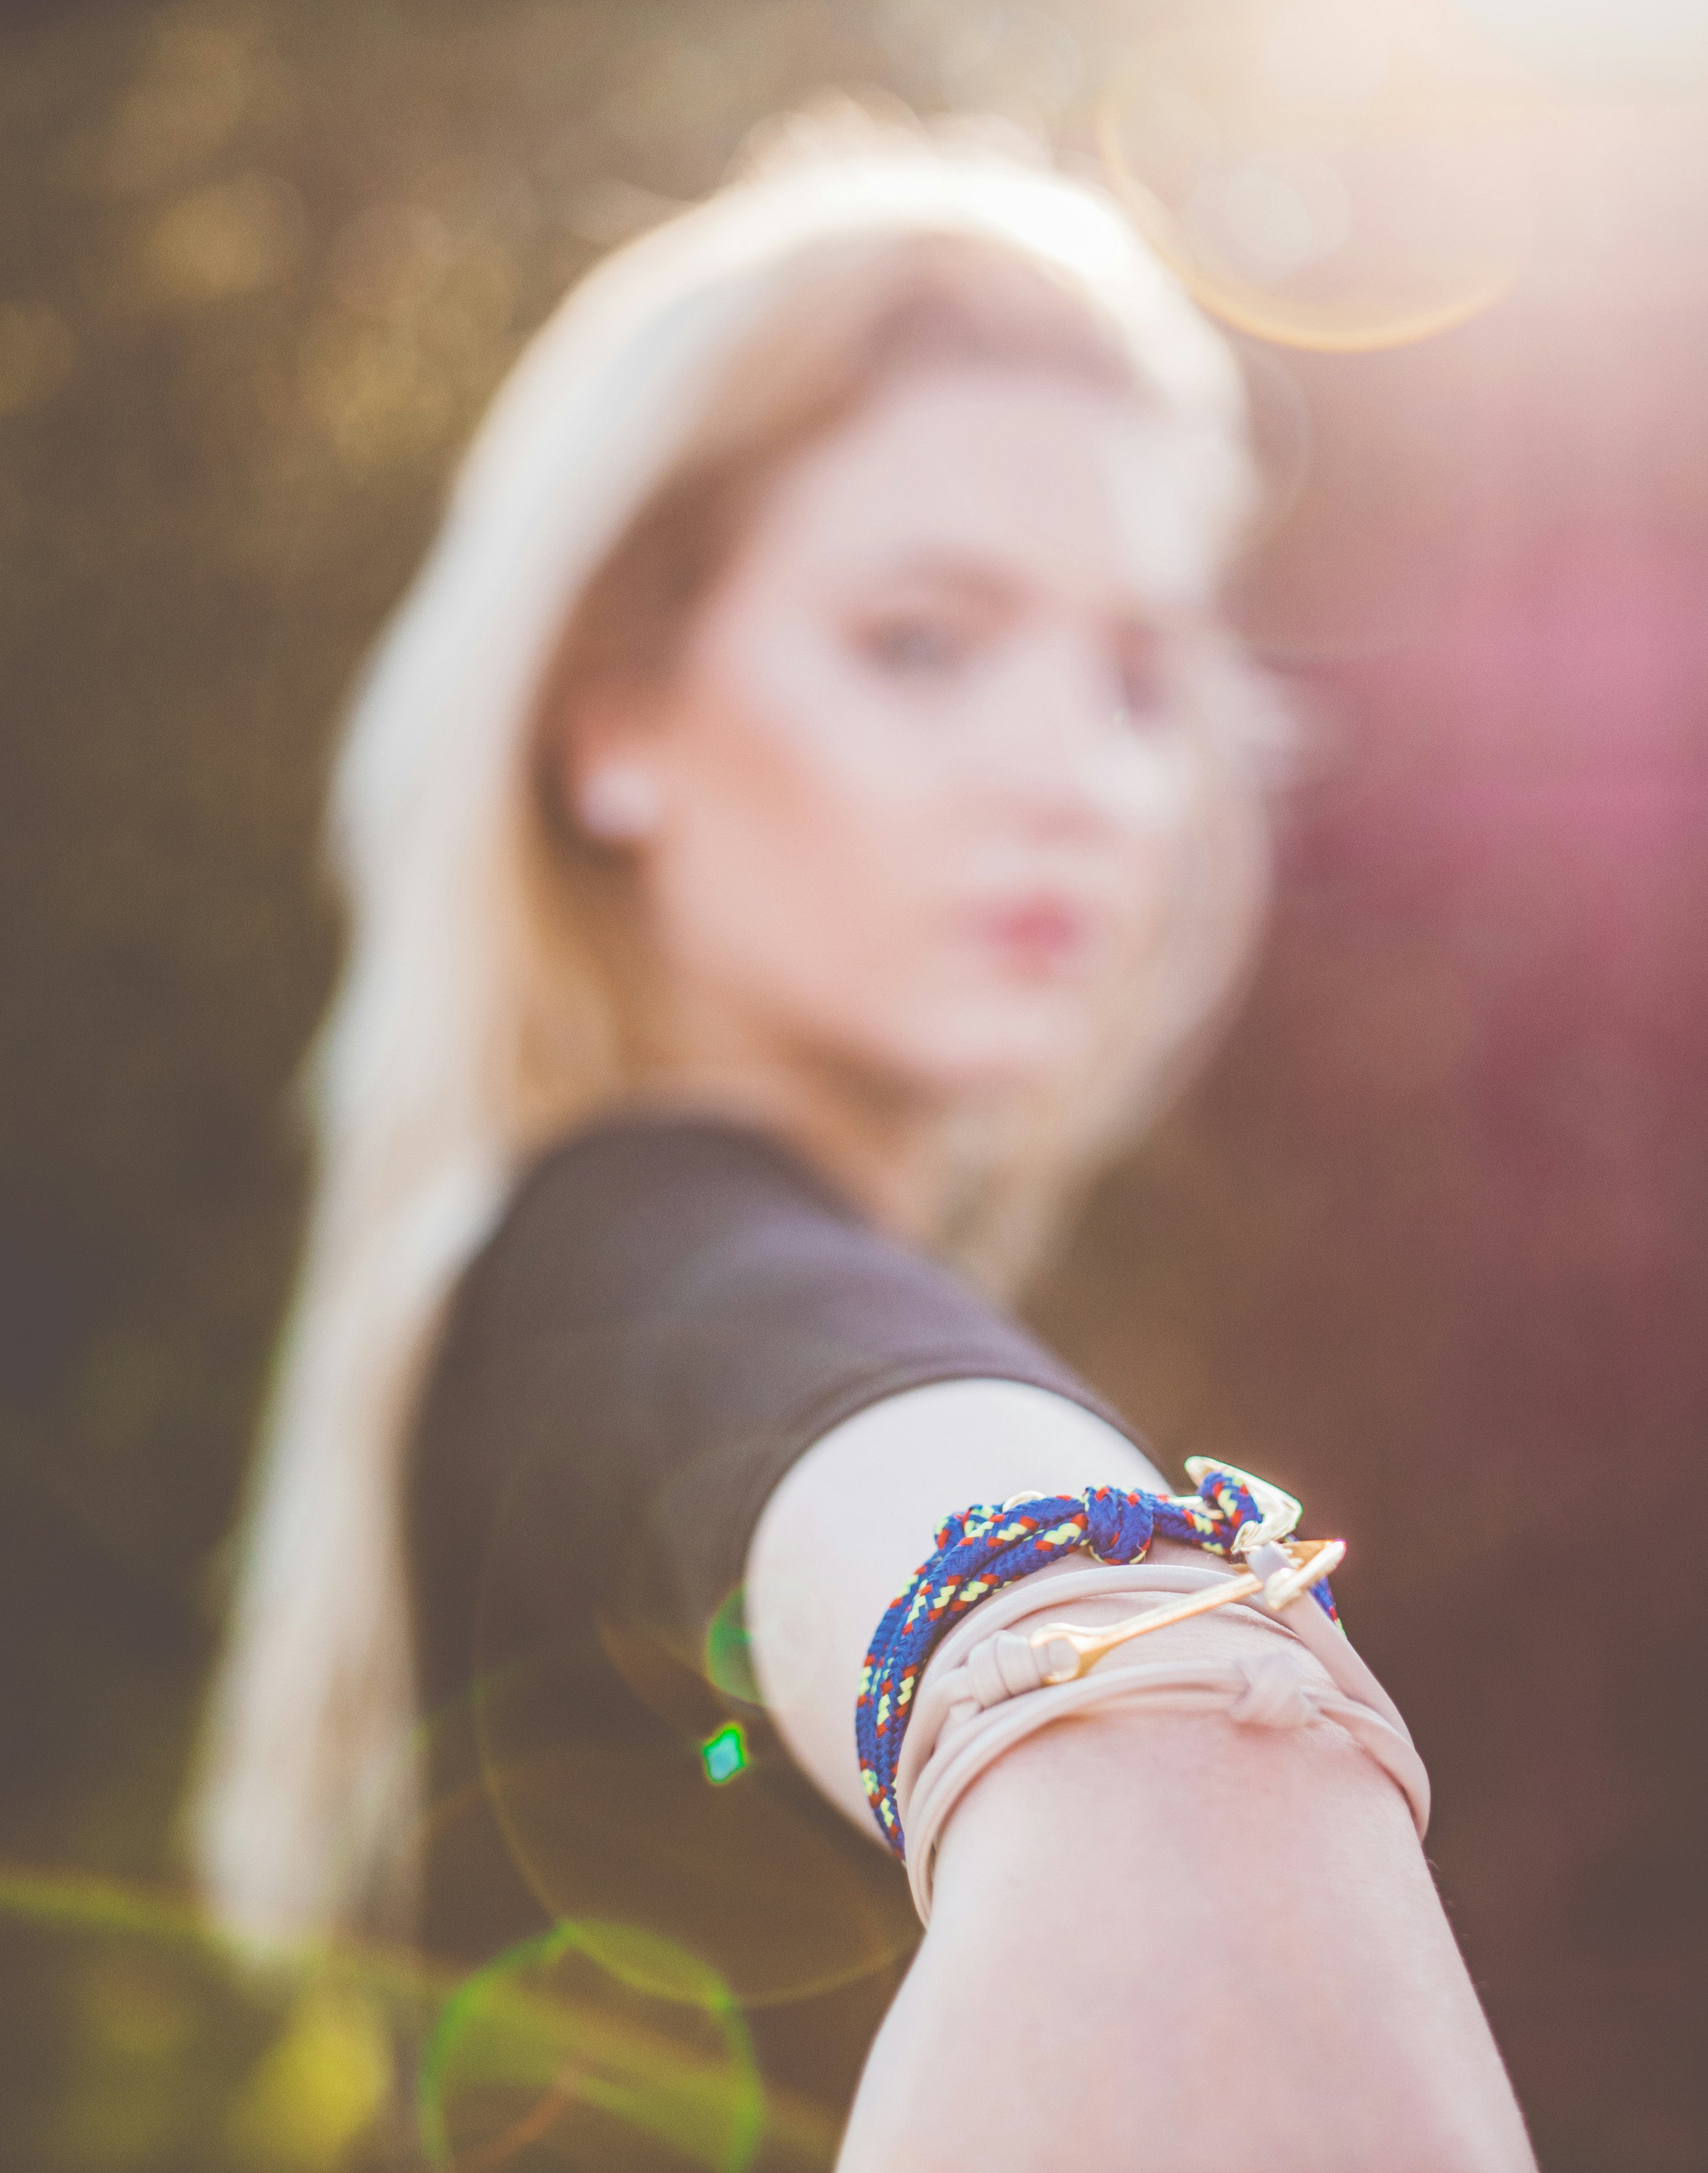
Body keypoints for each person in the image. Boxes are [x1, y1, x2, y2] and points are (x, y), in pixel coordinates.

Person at [189, 113, 1535, 2172]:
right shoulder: (638, 1269)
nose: (1080, 779)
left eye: (1135, 675)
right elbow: (1149, 1719)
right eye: (924, 640)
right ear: (612, 721)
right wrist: (1142, 1696)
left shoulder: (547, 1299)